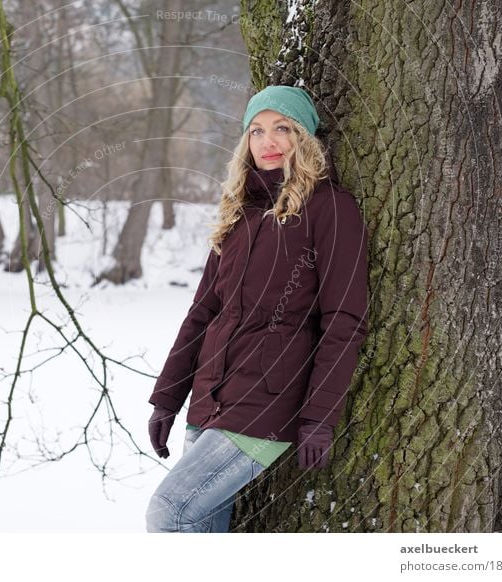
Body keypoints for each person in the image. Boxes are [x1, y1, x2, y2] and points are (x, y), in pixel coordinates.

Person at [144, 85, 370, 533]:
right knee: (200, 523)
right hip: (209, 396)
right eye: (256, 130)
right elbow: (202, 313)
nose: (268, 141)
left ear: (304, 137)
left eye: (282, 128)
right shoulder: (238, 214)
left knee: (169, 513)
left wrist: (318, 417)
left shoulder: (330, 209)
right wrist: (167, 398)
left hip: (268, 401)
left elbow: (343, 320)